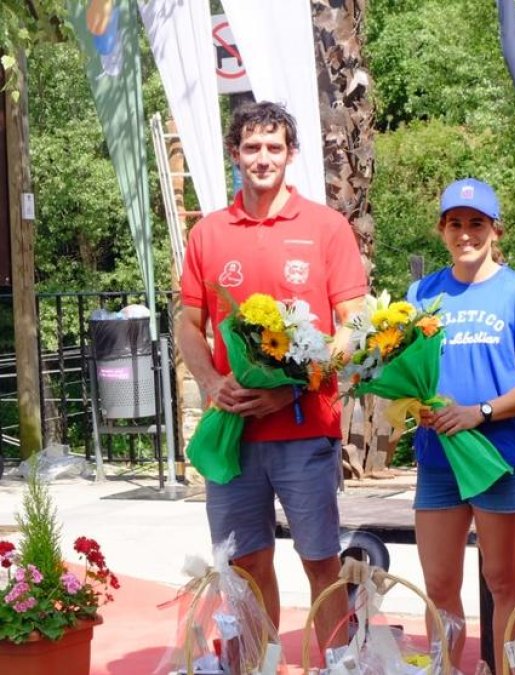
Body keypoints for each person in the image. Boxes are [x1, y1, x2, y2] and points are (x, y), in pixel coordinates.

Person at [178, 101, 366, 650]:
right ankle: (256, 663)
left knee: (321, 561)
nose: (263, 158)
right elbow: (188, 323)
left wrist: (293, 388)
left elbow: (353, 326)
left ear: (291, 154)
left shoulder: (327, 228)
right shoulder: (209, 233)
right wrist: (212, 386)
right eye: (252, 147)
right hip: (234, 432)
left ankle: (338, 663)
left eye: (274, 147)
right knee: (243, 563)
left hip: (305, 427)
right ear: (235, 154)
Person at [407, 178, 515, 667]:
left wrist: (482, 412)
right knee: (439, 586)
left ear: (496, 230)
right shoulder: (421, 293)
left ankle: (509, 668)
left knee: (503, 582)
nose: (465, 233)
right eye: (455, 223)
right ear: (441, 229)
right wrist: (413, 404)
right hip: (439, 461)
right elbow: (405, 368)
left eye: (476, 223)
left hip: (498, 460)